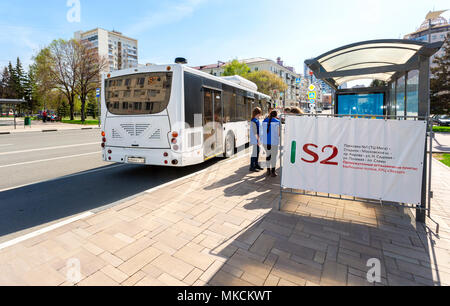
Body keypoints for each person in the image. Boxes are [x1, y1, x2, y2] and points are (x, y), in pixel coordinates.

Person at [262, 110, 281, 177]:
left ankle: (268, 170)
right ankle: (273, 172)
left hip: (265, 142)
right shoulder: (278, 122)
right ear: (276, 115)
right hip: (274, 142)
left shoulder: (264, 121)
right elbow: (279, 134)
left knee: (268, 156)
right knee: (273, 157)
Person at [249, 107, 263, 172]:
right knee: (255, 153)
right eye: (260, 113)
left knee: (257, 152)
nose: (260, 114)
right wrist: (258, 140)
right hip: (255, 139)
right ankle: (252, 166)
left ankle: (256, 164)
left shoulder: (256, 120)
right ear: (258, 113)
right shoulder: (254, 121)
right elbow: (255, 132)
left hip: (257, 139)